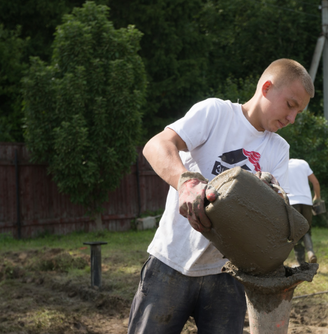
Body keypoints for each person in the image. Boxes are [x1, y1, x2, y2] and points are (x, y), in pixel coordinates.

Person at [127, 59, 314, 334]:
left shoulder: (278, 150)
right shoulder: (216, 114)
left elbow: (274, 220)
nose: (292, 118)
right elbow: (157, 145)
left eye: (298, 111)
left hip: (228, 276)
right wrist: (187, 183)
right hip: (171, 262)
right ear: (267, 88)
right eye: (290, 104)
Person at [287, 158, 321, 265]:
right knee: (306, 230)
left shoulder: (282, 166)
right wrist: (317, 197)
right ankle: (310, 252)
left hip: (292, 203)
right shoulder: (303, 163)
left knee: (296, 233)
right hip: (306, 202)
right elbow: (315, 182)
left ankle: (301, 263)